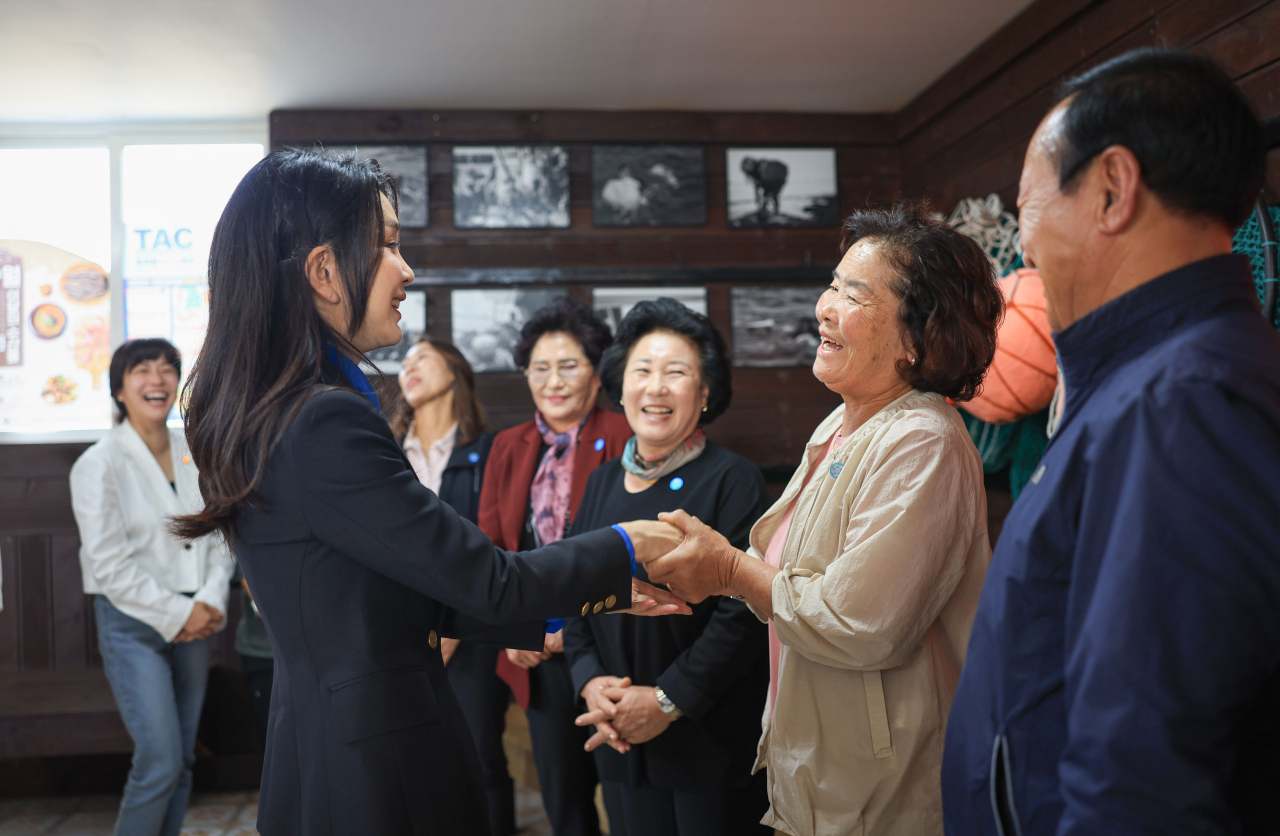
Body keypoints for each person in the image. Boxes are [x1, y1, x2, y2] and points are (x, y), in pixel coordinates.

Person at [172, 149, 688, 836]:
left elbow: (396, 594)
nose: (407, 268)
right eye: (386, 244)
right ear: (324, 272)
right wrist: (629, 546)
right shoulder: (324, 419)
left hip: (334, 744)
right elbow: (484, 577)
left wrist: (602, 597)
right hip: (379, 763)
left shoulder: (280, 411)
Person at [938, 49, 1280, 836]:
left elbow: (1142, 768)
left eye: (1027, 209)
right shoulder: (1154, 382)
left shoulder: (1179, 404)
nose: (1022, 249)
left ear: (1112, 190)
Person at [642, 204, 1003, 836]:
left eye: (853, 294)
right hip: (823, 769)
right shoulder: (843, 421)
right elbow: (792, 581)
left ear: (920, 337)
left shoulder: (924, 440)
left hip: (885, 791)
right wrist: (721, 566)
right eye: (832, 285)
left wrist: (728, 568)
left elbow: (858, 623)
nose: (824, 307)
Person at [565, 298, 772, 836]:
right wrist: (591, 684)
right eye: (643, 370)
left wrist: (665, 701)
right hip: (617, 737)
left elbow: (744, 615)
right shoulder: (600, 482)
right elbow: (570, 592)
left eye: (676, 373)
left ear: (704, 394)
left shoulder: (734, 479)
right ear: (621, 384)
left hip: (707, 742)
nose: (655, 388)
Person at [476, 296, 633, 836]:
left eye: (569, 365)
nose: (553, 380)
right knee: (564, 803)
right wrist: (510, 628)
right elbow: (493, 547)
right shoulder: (508, 446)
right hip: (535, 656)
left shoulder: (624, 434)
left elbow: (636, 548)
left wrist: (574, 628)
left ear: (596, 371)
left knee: (626, 794)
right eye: (540, 368)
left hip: (614, 646)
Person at [69, 338, 235, 836]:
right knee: (160, 758)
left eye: (167, 369)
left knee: (182, 759)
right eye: (142, 371)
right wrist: (180, 613)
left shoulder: (196, 453)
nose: (157, 380)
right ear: (120, 389)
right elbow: (109, 565)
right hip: (132, 623)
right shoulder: (97, 463)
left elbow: (223, 532)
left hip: (197, 615)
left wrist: (208, 601)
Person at [390, 336, 506, 833]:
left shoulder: (488, 451)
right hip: (395, 631)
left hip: (472, 631)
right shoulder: (384, 451)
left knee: (479, 755)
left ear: (454, 371)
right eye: (405, 361)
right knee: (404, 762)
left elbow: (493, 546)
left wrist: (456, 628)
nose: (409, 367)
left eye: (424, 358)